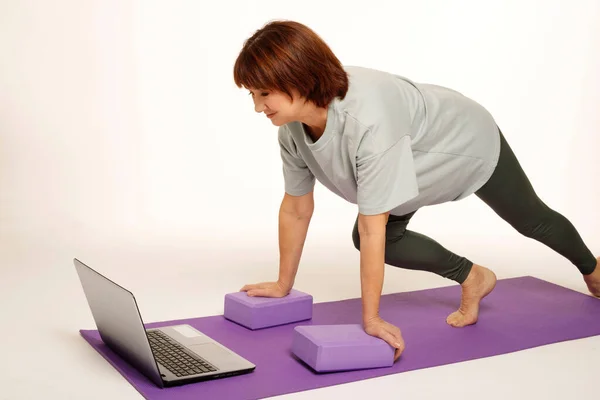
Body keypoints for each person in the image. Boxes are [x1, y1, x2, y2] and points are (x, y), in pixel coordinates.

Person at [233, 20, 600, 361]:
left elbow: (370, 224)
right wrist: (283, 285)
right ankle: (474, 277)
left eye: (265, 93)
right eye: (252, 93)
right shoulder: (291, 132)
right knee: (385, 237)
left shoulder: (369, 121)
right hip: (406, 153)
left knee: (530, 219)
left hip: (461, 141)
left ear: (301, 77)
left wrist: (372, 319)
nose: (256, 107)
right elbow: (296, 209)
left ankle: (593, 268)